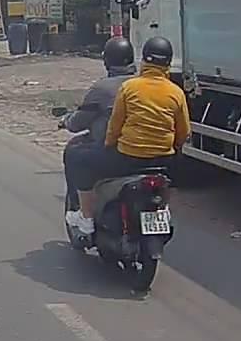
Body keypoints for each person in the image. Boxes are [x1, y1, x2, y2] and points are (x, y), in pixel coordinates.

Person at [65, 36, 191, 235]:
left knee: (79, 159)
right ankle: (163, 209)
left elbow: (115, 126)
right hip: (163, 161)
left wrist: (109, 145)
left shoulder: (128, 87)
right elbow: (183, 132)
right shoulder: (176, 92)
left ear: (144, 60)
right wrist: (172, 149)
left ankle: (86, 218)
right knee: (172, 177)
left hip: (129, 158)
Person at [61, 37, 136, 241]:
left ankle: (84, 215)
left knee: (75, 154)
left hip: (115, 151)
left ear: (106, 61)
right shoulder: (145, 84)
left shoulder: (102, 88)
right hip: (154, 152)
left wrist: (66, 121)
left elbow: (79, 122)